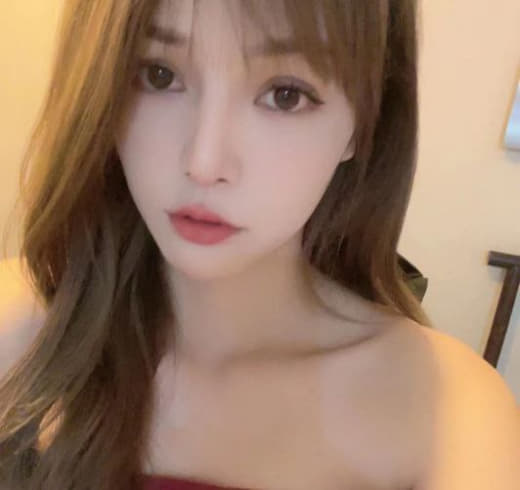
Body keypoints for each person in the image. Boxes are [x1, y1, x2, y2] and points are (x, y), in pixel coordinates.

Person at [0, 1, 518, 489]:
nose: (204, 162)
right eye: (159, 74)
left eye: (285, 94)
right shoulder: (18, 331)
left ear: (365, 124)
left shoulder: (451, 418)